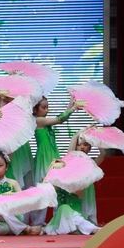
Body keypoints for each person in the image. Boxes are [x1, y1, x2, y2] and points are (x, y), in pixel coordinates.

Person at [30, 96, 81, 224]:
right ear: (35, 109)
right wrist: (72, 109)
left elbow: (61, 118)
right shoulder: (38, 120)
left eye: (47, 107)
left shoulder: (44, 121)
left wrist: (70, 105)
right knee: (43, 190)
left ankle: (59, 219)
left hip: (53, 156)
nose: (47, 110)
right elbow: (60, 119)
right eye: (43, 107)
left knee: (58, 189)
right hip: (45, 158)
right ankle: (37, 222)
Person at [68, 128, 107, 226]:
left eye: (85, 145)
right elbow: (70, 149)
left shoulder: (92, 162)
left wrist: (96, 139)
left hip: (89, 189)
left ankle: (91, 223)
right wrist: (81, 133)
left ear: (89, 148)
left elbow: (103, 154)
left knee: (90, 208)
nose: (82, 147)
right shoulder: (72, 158)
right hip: (77, 189)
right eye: (79, 145)